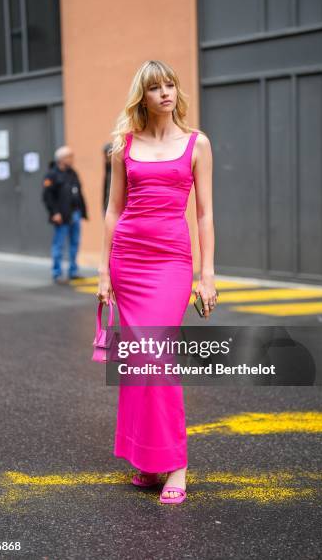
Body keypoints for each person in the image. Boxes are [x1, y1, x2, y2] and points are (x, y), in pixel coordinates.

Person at [97, 59, 217, 504]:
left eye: (170, 85)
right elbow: (113, 210)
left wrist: (207, 275)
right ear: (142, 96)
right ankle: (149, 462)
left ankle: (177, 465)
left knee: (157, 358)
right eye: (155, 87)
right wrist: (104, 272)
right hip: (128, 260)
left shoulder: (197, 143)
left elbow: (204, 213)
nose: (165, 92)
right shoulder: (122, 146)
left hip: (169, 262)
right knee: (138, 363)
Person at [42, 146, 88, 284]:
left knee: (75, 243)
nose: (72, 160)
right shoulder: (51, 175)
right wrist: (54, 213)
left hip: (75, 214)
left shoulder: (72, 173)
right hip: (61, 216)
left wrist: (82, 211)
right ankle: (57, 273)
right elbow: (47, 196)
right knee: (59, 244)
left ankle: (73, 271)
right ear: (62, 159)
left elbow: (78, 192)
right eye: (70, 157)